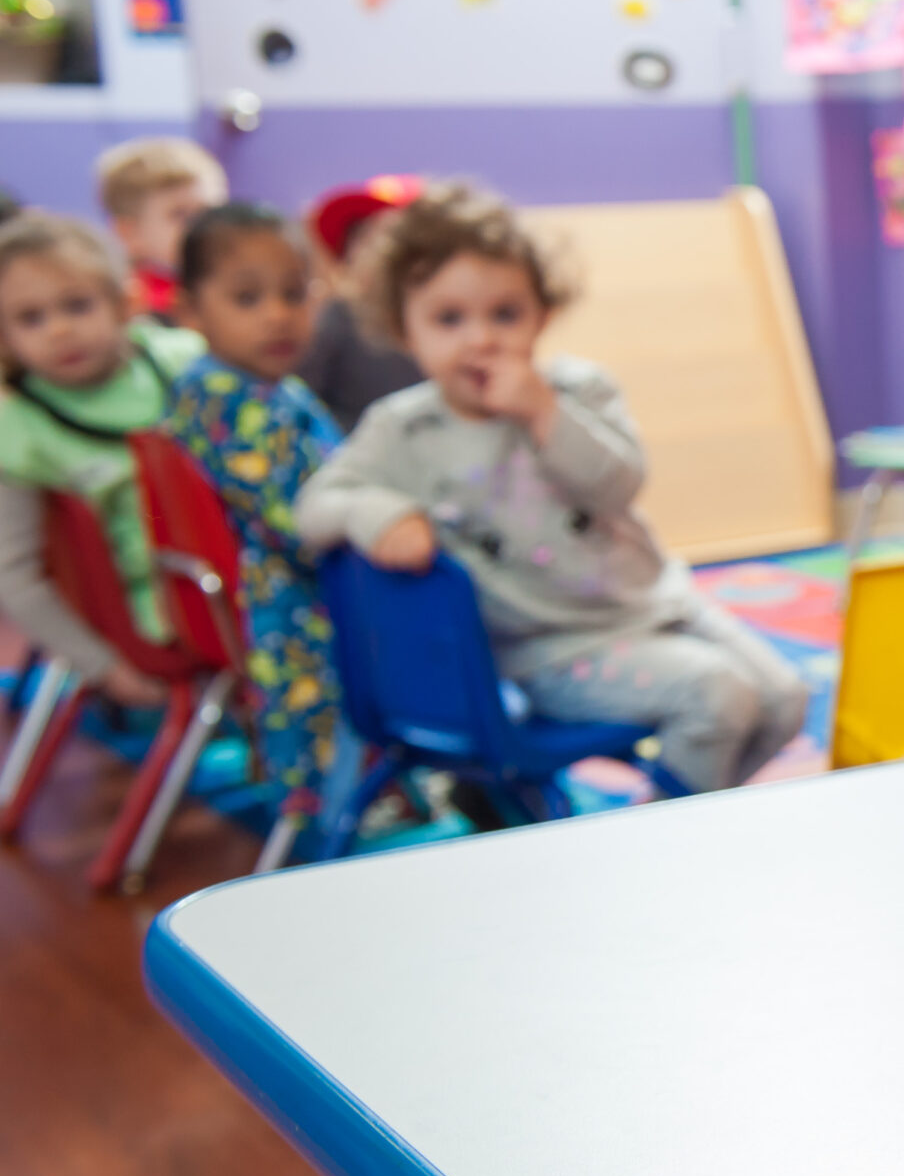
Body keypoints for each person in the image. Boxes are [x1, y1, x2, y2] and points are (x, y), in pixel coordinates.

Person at [294, 180, 807, 792]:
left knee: (783, 699)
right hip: (553, 650)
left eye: (505, 314)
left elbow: (621, 485)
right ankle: (671, 845)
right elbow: (314, 506)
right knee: (718, 697)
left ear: (543, 313)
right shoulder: (404, 429)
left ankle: (678, 807)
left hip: (659, 604)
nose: (481, 338)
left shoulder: (579, 390)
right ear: (406, 329)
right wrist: (375, 516)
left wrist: (545, 415)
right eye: (448, 318)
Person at [164, 203, 345, 796]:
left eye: (295, 294)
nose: (278, 316)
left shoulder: (206, 387)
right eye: (247, 299)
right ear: (190, 309)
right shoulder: (251, 406)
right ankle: (328, 806)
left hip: (251, 607)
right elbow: (305, 526)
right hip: (291, 611)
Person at [0, 214, 201, 708]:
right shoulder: (17, 432)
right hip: (166, 620)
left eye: (77, 305)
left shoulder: (186, 360)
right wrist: (103, 667)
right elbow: (16, 578)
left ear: (124, 301)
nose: (60, 330)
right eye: (31, 318)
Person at [296, 174, 426, 431]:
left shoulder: (429, 315)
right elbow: (303, 396)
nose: (372, 249)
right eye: (358, 239)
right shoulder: (339, 315)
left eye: (384, 236)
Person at [94, 136, 225, 323]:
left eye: (209, 211)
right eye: (180, 214)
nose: (201, 223)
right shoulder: (134, 303)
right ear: (130, 233)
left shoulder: (231, 283)